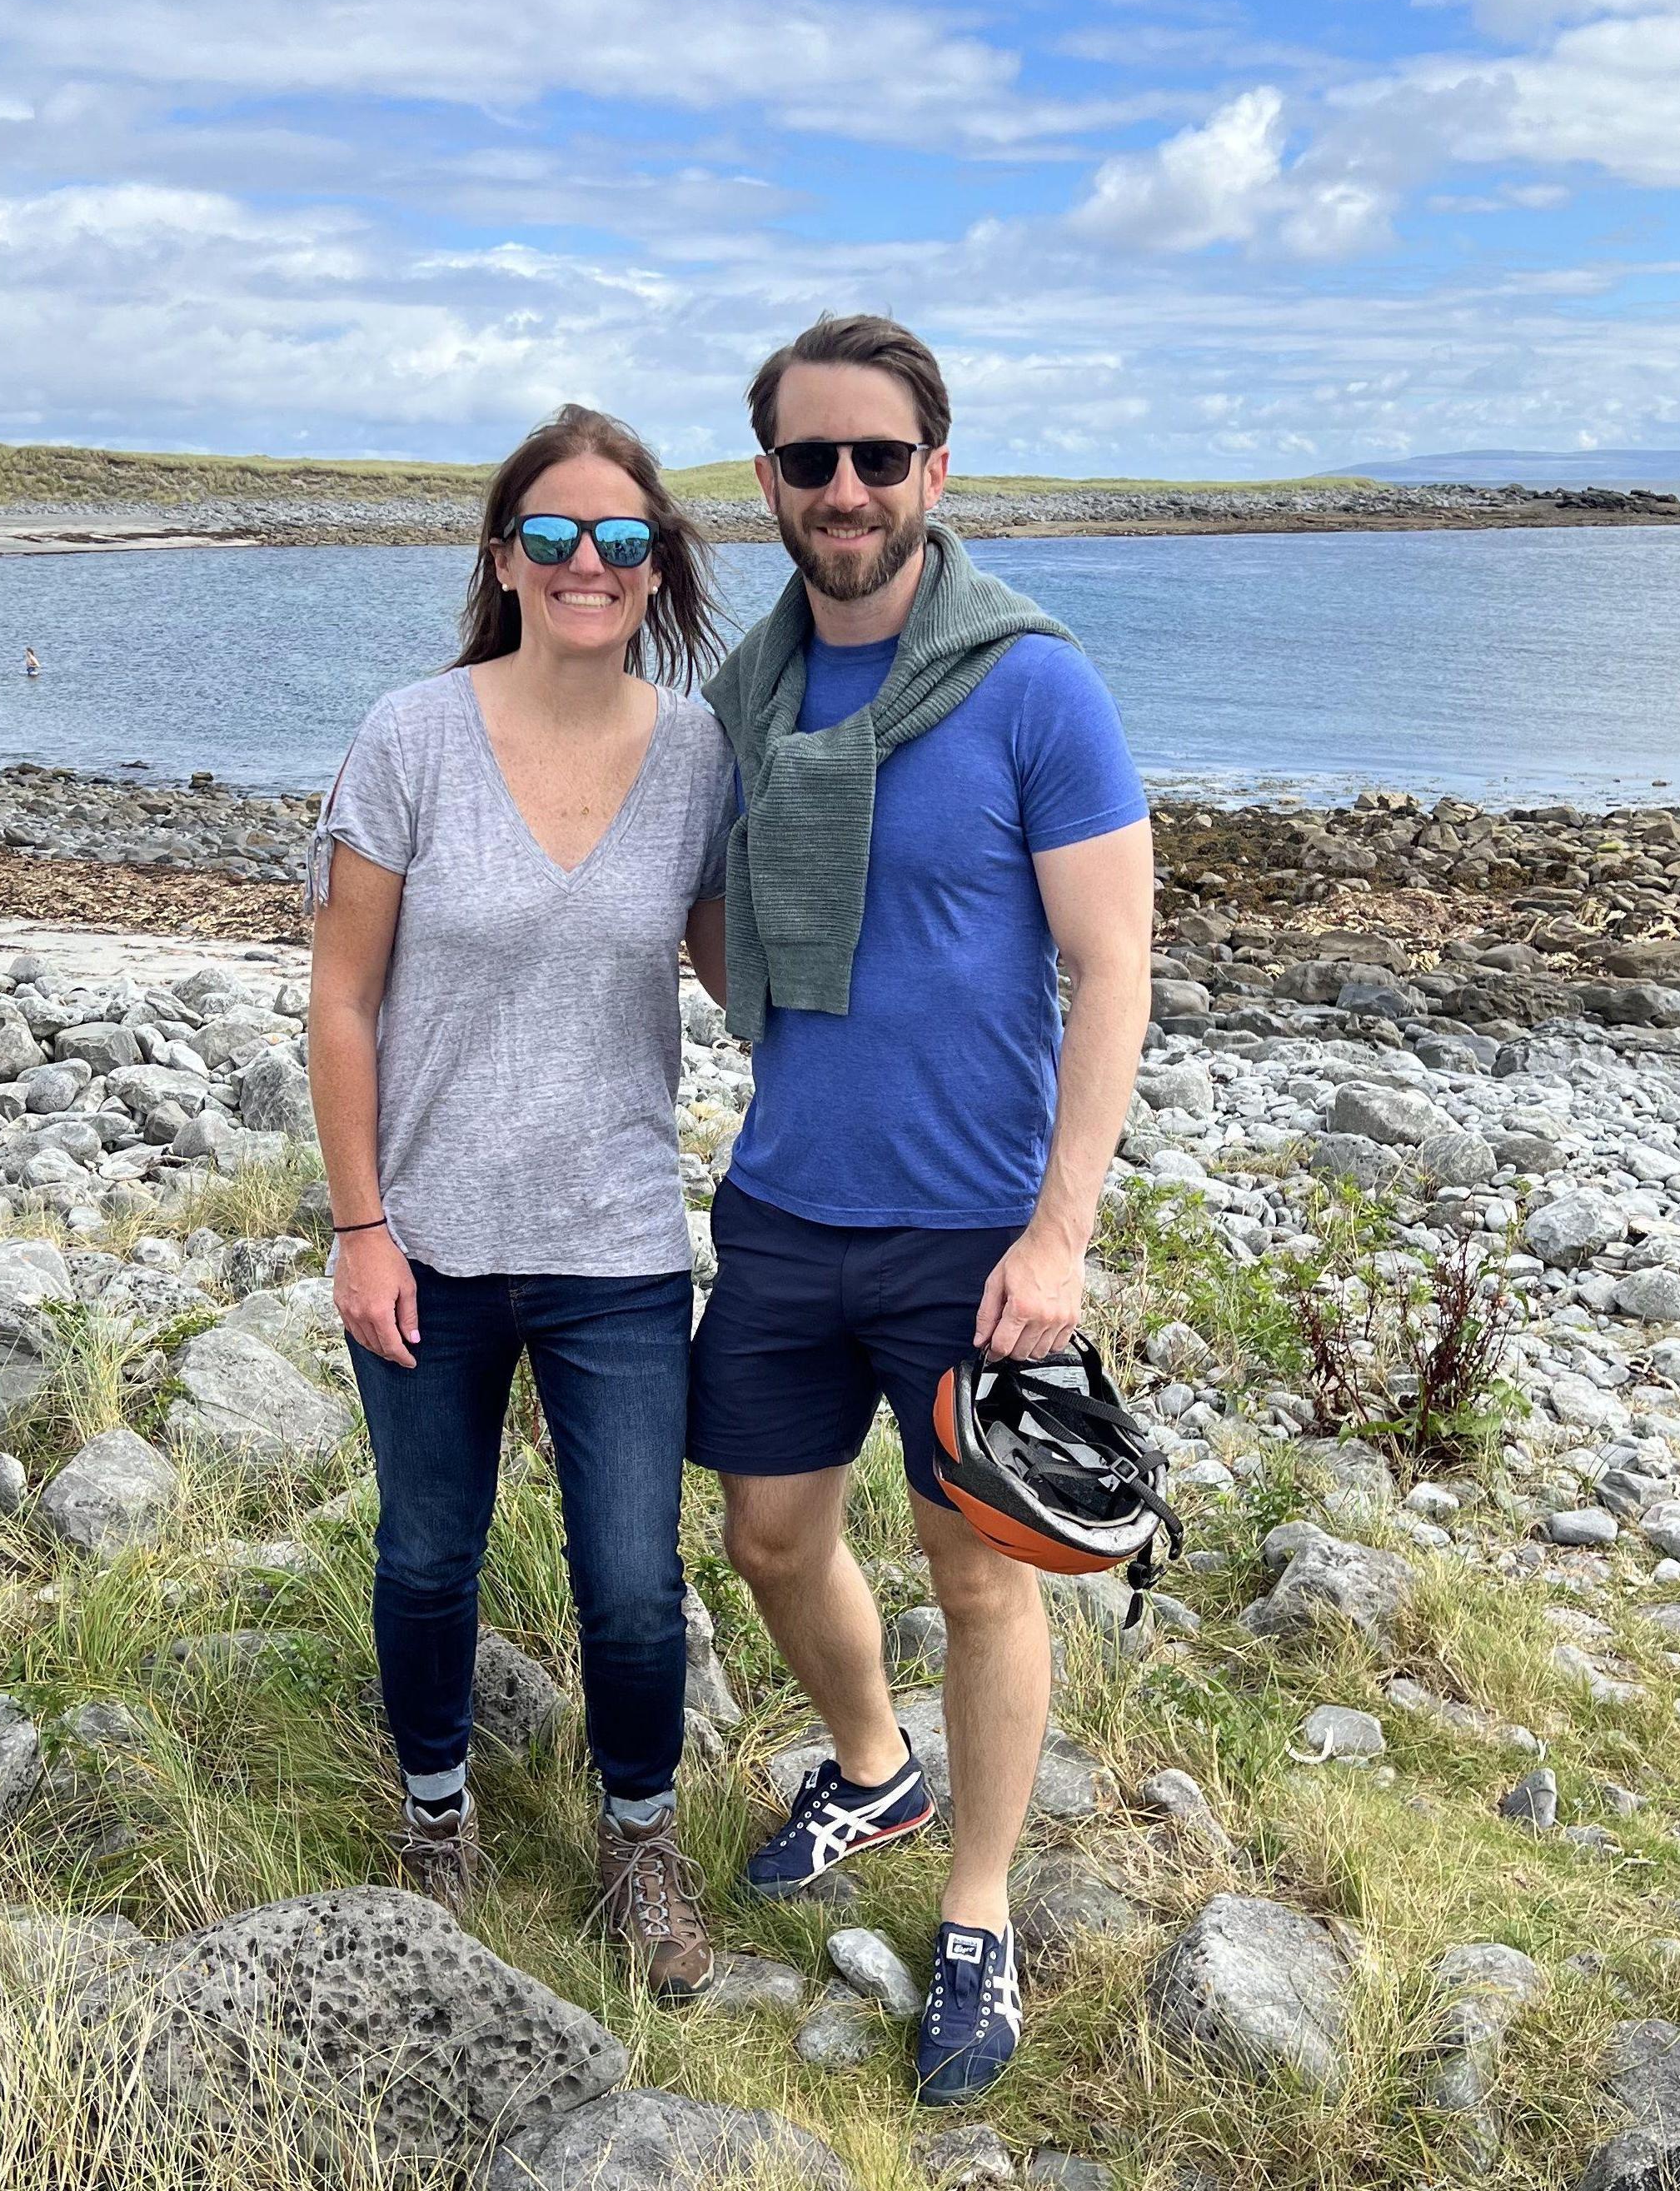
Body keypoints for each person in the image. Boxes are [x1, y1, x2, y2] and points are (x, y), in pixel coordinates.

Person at [690, 315, 1155, 2102]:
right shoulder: (747, 699)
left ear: (934, 474)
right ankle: (870, 1765)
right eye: (812, 462)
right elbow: (706, 922)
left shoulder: (1034, 685)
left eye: (880, 458)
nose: (847, 491)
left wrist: (1061, 1233)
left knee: (980, 1579)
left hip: (974, 1235)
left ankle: (979, 1917)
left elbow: (1111, 967)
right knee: (771, 1542)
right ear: (773, 485)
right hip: (791, 1209)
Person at [306, 404, 734, 1997]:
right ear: (503, 558)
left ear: (653, 568)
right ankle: (436, 1815)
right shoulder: (411, 736)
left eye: (621, 539)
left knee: (633, 1581)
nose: (585, 562)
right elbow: (340, 1000)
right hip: (425, 1240)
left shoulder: (695, 753)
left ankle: (640, 1838)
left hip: (616, 1244)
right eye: (551, 535)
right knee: (428, 1553)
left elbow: (739, 970)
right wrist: (359, 1227)